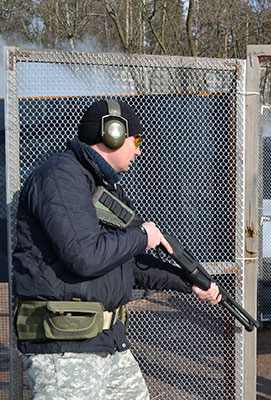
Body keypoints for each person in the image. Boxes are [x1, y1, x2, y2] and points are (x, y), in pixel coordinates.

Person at [12, 99, 221, 399]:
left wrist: (190, 283)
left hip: (106, 340)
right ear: (112, 133)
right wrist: (140, 236)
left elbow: (128, 263)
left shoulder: (103, 185)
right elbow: (85, 256)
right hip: (65, 347)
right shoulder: (60, 178)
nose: (139, 150)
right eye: (135, 140)